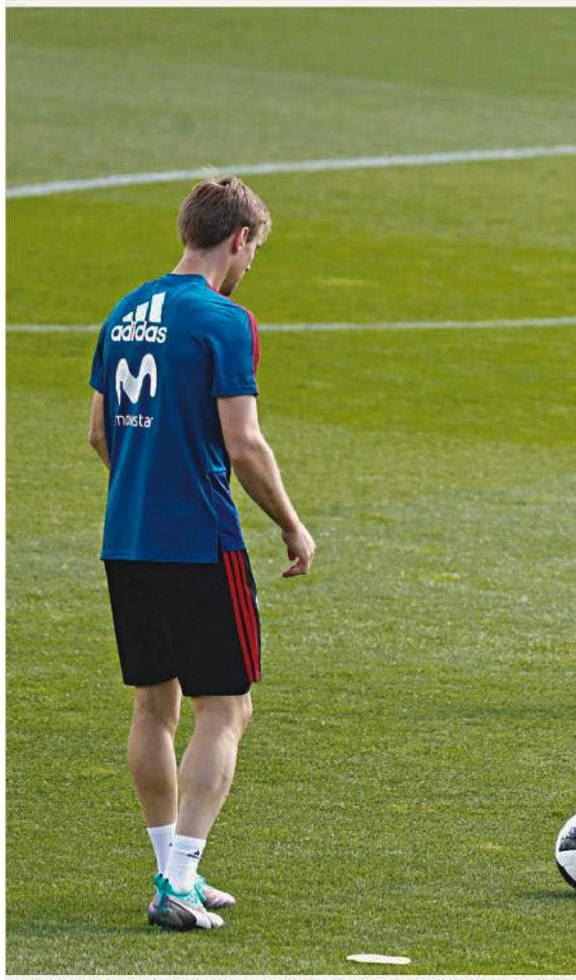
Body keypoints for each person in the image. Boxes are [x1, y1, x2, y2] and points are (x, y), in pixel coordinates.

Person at [87, 176, 315, 930]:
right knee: (228, 706)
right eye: (253, 251)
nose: (249, 265)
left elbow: (99, 433)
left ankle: (169, 868)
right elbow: (244, 444)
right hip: (199, 541)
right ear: (239, 239)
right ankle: (179, 880)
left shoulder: (124, 312)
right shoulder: (225, 320)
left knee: (154, 706)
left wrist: (145, 488)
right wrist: (291, 524)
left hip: (127, 538)